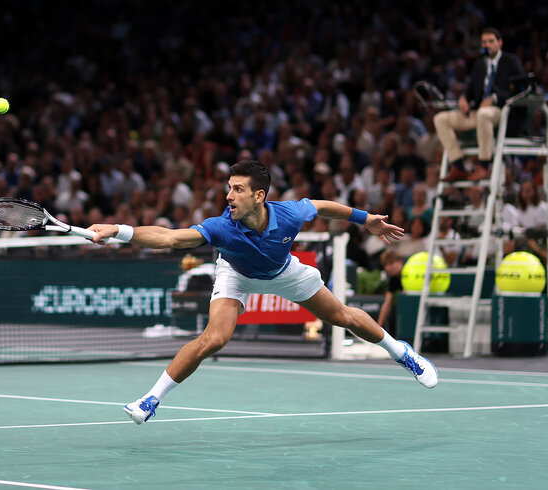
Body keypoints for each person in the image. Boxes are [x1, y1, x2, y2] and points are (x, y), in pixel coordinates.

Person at [89, 160, 439, 425]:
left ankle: (401, 352)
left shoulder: (288, 214)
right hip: (236, 273)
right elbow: (170, 238)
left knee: (342, 317)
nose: (228, 195)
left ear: (259, 195)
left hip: (284, 271)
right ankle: (150, 400)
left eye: (237, 189)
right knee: (214, 338)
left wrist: (366, 219)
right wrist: (119, 230)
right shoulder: (220, 227)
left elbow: (323, 206)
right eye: (229, 187)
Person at [434, 28, 525, 182]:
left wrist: (495, 98)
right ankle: (458, 166)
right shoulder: (479, 65)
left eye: (491, 41)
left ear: (500, 43)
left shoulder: (511, 62)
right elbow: (469, 91)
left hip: (501, 111)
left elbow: (520, 90)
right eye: (484, 42)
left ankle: (483, 165)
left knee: (484, 114)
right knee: (440, 119)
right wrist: (463, 99)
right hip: (479, 112)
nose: (487, 45)